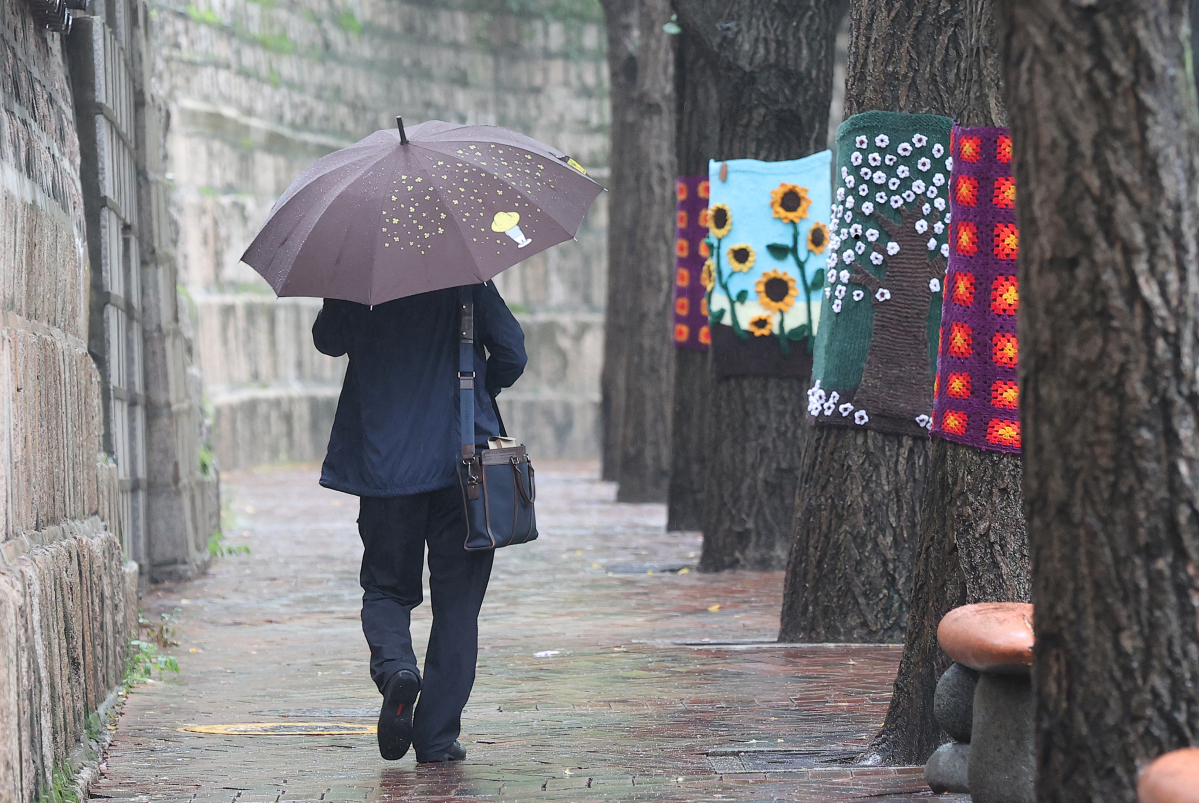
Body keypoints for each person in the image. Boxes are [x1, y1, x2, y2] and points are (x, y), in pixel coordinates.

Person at [311, 281, 527, 763]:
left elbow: (328, 340)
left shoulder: (359, 275)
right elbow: (512, 351)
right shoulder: (463, 276)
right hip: (463, 462)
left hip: (386, 465)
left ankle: (396, 671)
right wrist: (474, 388)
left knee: (387, 587)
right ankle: (435, 738)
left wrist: (338, 292)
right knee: (458, 605)